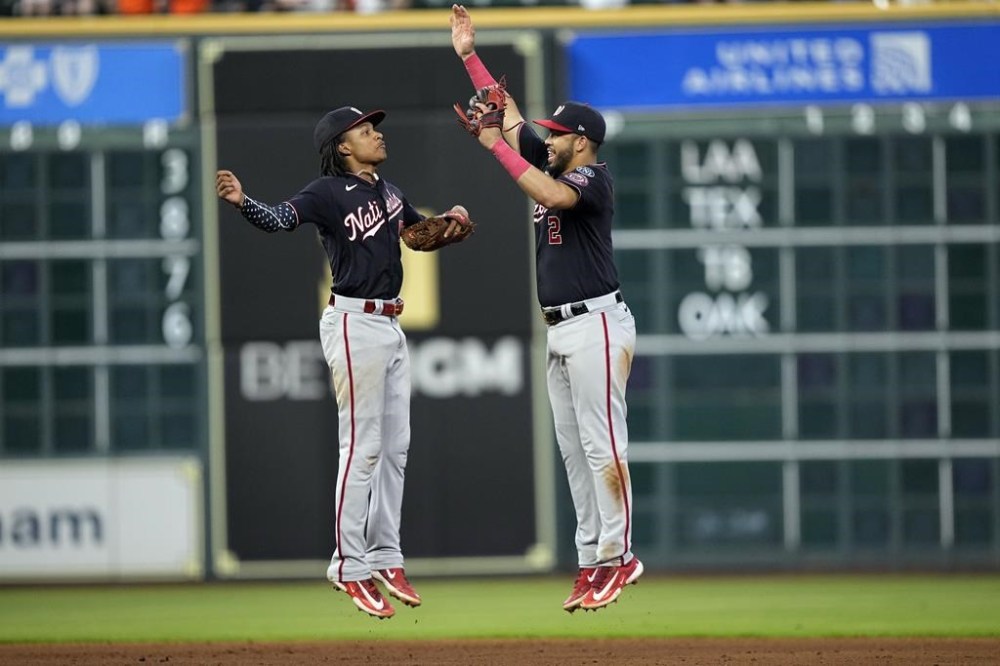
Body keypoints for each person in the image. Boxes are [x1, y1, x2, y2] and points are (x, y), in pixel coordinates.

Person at [216, 106, 469, 620]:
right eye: (365, 130)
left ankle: (384, 555)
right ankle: (348, 563)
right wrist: (245, 203)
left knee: (396, 448)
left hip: (389, 325)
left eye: (374, 128)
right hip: (354, 322)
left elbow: (416, 238)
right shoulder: (326, 192)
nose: (377, 134)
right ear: (343, 147)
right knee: (362, 447)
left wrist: (451, 226)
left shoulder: (389, 191)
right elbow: (283, 220)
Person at [450, 4, 642, 613]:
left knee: (603, 446)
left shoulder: (592, 179)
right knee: (573, 450)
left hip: (597, 324)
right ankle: (593, 560)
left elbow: (549, 192)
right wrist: (469, 58)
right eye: (547, 134)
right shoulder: (547, 157)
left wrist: (497, 152)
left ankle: (622, 555)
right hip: (561, 329)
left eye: (556, 135)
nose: (547, 139)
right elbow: (504, 118)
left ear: (580, 141)